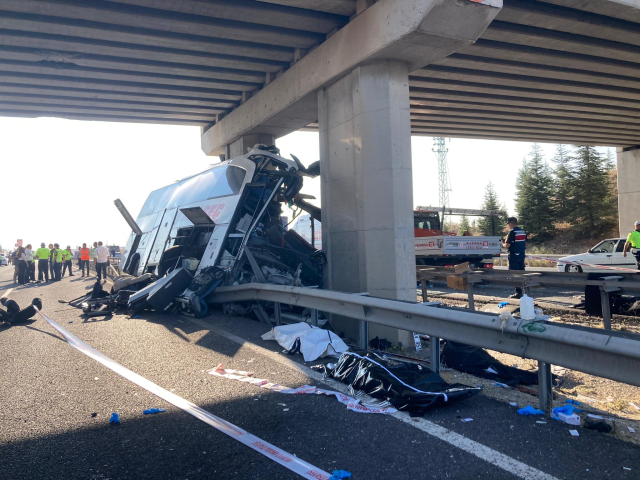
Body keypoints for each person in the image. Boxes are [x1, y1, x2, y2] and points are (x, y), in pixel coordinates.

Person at [503, 217, 527, 299]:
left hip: (514, 256)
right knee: (521, 273)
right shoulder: (522, 231)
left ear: (510, 223)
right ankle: (524, 292)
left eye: (508, 224)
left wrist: (503, 243)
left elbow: (507, 245)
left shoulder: (512, 232)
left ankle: (518, 293)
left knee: (514, 274)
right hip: (521, 255)